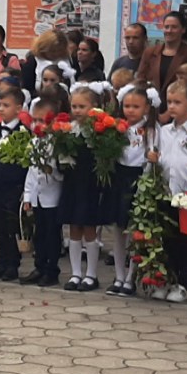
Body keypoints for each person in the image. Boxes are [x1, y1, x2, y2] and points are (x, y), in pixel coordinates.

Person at [153, 80, 187, 303]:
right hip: (166, 192)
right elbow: (159, 157)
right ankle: (165, 280)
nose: (172, 106)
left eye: (177, 102)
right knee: (167, 240)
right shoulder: (163, 131)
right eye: (169, 102)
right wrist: (154, 159)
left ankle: (182, 284)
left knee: (186, 241)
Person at [105, 86, 157, 297]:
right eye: (127, 106)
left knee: (135, 231)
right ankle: (118, 276)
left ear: (146, 108)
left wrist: (152, 162)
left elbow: (153, 155)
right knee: (118, 229)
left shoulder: (151, 130)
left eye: (136, 106)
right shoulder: (117, 127)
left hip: (139, 179)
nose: (130, 110)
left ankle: (130, 277)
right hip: (119, 178)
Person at [60, 84, 110, 292]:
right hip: (73, 182)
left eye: (82, 106)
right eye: (74, 106)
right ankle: (75, 273)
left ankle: (91, 274)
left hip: (90, 184)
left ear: (94, 107)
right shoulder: (68, 129)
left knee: (89, 228)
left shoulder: (100, 132)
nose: (77, 110)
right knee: (74, 227)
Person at [19, 90, 67, 288]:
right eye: (35, 120)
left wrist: (52, 170)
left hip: (52, 196)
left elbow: (62, 174)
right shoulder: (34, 142)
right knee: (39, 234)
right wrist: (28, 196)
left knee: (51, 235)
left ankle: (51, 270)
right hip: (38, 197)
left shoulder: (57, 143)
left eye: (42, 121)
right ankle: (39, 266)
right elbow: (31, 172)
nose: (37, 125)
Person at [0, 86, 30, 283]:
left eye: (6, 105)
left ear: (18, 108)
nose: (1, 109)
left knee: (12, 226)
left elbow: (26, 163)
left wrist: (23, 188)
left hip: (13, 186)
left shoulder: (24, 132)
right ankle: (0, 262)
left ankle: (12, 264)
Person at [139, 11, 187, 95]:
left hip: (178, 99)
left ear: (183, 29)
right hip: (151, 100)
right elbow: (140, 79)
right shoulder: (149, 52)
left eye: (174, 27)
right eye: (166, 27)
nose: (169, 30)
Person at [20, 29, 75, 96]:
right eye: (53, 50)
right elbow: (27, 87)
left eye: (59, 50)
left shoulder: (68, 59)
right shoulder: (33, 60)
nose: (56, 53)